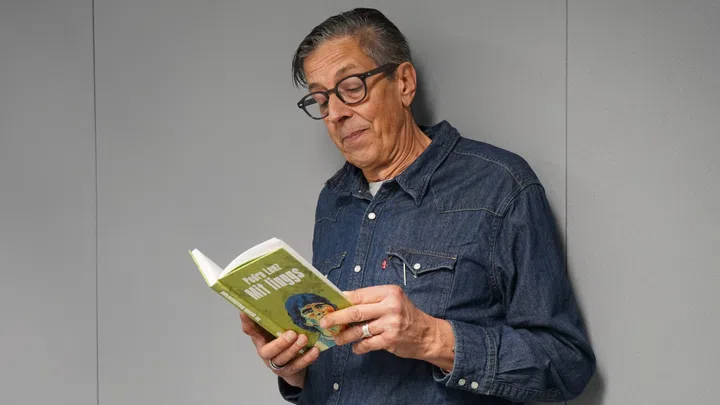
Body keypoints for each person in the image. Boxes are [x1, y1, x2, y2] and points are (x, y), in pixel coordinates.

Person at [240, 7, 595, 404]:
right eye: (321, 100)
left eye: (352, 87)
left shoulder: (499, 186)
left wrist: (431, 338)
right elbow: (337, 372)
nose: (336, 113)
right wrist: (294, 370)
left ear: (404, 83)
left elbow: (566, 364)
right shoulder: (333, 201)